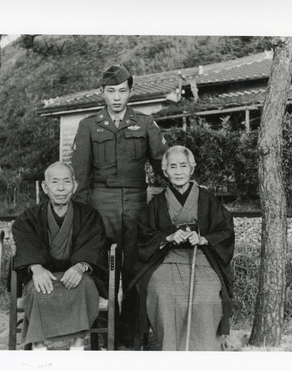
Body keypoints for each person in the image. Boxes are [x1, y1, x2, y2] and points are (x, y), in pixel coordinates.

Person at [71, 63, 168, 349]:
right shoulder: (88, 126)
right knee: (103, 267)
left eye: (122, 91)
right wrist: (82, 215)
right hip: (101, 202)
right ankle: (104, 334)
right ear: (101, 93)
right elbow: (80, 175)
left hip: (137, 202)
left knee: (136, 267)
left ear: (130, 93)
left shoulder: (145, 123)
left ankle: (133, 335)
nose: (116, 97)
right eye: (111, 91)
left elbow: (163, 163)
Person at [130, 145, 235, 351]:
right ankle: (171, 350)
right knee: (162, 293)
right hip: (166, 259)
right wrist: (168, 236)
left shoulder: (207, 199)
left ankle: (204, 350)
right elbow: (143, 233)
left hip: (202, 258)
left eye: (183, 166)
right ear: (165, 171)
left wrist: (203, 238)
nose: (178, 171)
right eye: (173, 166)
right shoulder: (157, 202)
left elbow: (225, 229)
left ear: (192, 169)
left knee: (206, 296)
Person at [12, 162, 109, 350]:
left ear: (75, 185)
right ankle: (39, 347)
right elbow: (25, 243)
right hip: (44, 275)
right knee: (37, 288)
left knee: (87, 285)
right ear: (45, 187)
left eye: (66, 181)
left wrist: (81, 266)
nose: (61, 188)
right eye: (55, 182)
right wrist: (35, 267)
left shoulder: (89, 215)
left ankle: (77, 345)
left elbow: (94, 245)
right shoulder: (29, 217)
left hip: (78, 276)